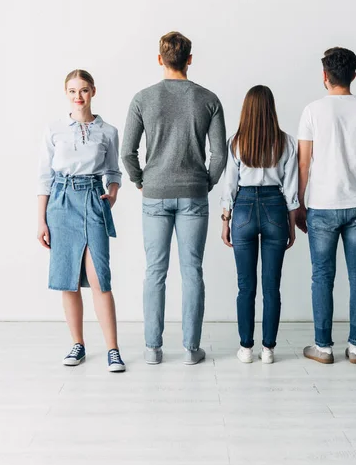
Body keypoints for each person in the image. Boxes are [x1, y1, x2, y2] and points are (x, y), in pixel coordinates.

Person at [122, 31, 227, 365]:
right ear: (190, 60)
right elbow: (220, 155)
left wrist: (141, 180)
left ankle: (153, 349)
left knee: (155, 270)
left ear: (159, 59)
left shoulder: (143, 98)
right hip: (194, 193)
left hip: (155, 193)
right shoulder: (208, 99)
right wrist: (204, 183)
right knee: (192, 270)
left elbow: (127, 152)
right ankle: (191, 350)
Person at [296, 47, 356, 364]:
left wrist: (299, 204)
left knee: (322, 276)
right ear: (354, 75)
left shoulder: (312, 111)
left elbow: (303, 164)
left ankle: (323, 347)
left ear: (325, 76)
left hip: (321, 204)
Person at [37, 69, 126, 372]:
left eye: (84, 90)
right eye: (73, 91)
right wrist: (41, 221)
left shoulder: (108, 131)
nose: (79, 96)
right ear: (66, 93)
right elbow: (44, 178)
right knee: (69, 280)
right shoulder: (54, 129)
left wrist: (111, 195)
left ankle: (113, 349)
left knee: (100, 277)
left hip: (92, 199)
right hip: (60, 203)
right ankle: (78, 343)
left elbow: (113, 172)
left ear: (93, 92)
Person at [221, 85, 299, 364]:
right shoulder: (287, 142)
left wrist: (225, 220)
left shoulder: (235, 142)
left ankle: (246, 348)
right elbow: (291, 189)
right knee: (271, 285)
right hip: (275, 208)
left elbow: (229, 185)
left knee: (245, 286)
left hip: (242, 208)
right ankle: (268, 349)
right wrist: (291, 225)